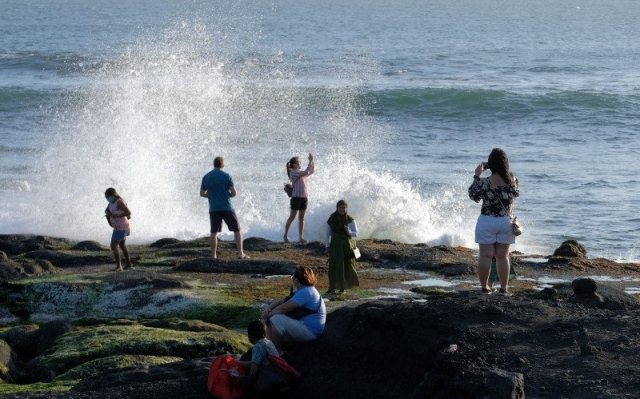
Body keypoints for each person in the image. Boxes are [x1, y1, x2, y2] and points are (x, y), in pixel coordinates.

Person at [468, 148, 520, 295]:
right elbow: (516, 193)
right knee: (503, 256)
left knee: (486, 255)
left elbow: (473, 194)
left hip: (486, 221)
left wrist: (478, 175)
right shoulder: (513, 181)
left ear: (491, 164)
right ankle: (504, 289)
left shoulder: (484, 183)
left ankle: (485, 288)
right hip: (505, 222)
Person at [262, 266, 326, 352]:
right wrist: (268, 309)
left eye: (293, 277)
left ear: (296, 280)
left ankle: (278, 352)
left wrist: (266, 316)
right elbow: (282, 302)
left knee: (275, 319)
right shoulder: (303, 289)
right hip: (305, 326)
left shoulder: (306, 292)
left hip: (311, 331)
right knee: (273, 319)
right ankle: (270, 349)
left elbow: (283, 308)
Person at [200, 156, 249, 260]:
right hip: (227, 207)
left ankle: (213, 255)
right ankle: (240, 254)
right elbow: (234, 193)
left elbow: (202, 193)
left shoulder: (206, 177)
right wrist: (227, 195)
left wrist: (211, 195)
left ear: (214, 164)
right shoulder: (227, 176)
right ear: (222, 164)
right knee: (237, 230)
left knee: (213, 233)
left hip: (213, 209)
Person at [325, 199, 360, 294]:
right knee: (333, 267)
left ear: (346, 208)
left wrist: (349, 232)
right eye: (340, 207)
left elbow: (356, 234)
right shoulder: (331, 219)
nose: (342, 209)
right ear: (337, 208)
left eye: (344, 208)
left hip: (346, 246)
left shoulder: (350, 220)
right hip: (335, 246)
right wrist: (327, 246)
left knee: (344, 266)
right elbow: (327, 234)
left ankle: (342, 288)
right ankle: (332, 288)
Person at [283, 153, 315, 243]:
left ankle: (301, 237)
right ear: (294, 164)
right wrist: (310, 161)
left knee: (302, 218)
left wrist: (312, 161)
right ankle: (285, 236)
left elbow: (311, 171)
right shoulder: (293, 172)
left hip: (304, 197)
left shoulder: (300, 173)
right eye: (298, 162)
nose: (300, 163)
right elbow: (305, 172)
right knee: (292, 217)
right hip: (296, 198)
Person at [104, 187, 132, 271]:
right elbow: (106, 210)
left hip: (121, 227)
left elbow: (128, 212)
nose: (107, 199)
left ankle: (119, 266)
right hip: (119, 227)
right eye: (106, 197)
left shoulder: (119, 202)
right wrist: (108, 214)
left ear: (113, 195)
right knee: (122, 245)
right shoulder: (111, 202)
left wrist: (117, 216)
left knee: (113, 246)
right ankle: (128, 264)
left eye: (108, 197)